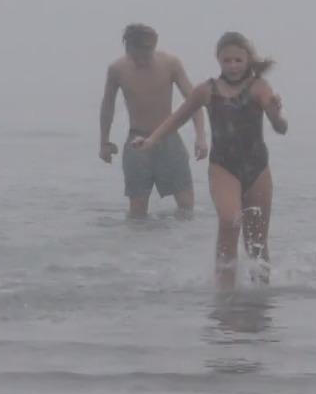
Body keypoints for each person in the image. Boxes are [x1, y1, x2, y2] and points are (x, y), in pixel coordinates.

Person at [133, 32, 287, 287]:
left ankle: (261, 295)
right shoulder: (207, 90)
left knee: (256, 240)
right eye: (227, 60)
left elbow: (280, 128)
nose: (233, 66)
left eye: (238, 60)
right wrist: (151, 140)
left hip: (257, 168)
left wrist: (276, 113)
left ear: (247, 59)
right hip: (223, 167)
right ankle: (225, 292)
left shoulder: (259, 87)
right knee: (229, 220)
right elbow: (178, 118)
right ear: (218, 60)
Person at [99, 24, 207, 217]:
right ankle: (139, 248)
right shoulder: (117, 69)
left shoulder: (170, 64)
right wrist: (104, 142)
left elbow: (194, 102)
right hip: (136, 142)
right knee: (137, 212)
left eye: (146, 56)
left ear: (154, 47)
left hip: (169, 139)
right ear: (127, 48)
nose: (141, 61)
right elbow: (107, 107)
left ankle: (182, 245)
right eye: (136, 56)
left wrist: (201, 137)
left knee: (186, 206)